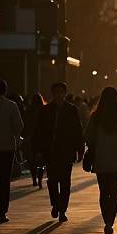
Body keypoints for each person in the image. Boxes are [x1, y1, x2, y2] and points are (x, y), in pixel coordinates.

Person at [84, 87, 117, 234]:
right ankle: (110, 222)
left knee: (104, 192)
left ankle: (106, 222)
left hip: (101, 158)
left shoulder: (96, 116)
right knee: (115, 192)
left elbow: (88, 136)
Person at [34, 82, 84, 222]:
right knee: (52, 180)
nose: (59, 95)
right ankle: (55, 204)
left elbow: (77, 130)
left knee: (65, 182)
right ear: (53, 93)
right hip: (50, 151)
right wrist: (38, 150)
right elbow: (39, 132)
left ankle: (62, 209)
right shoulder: (45, 110)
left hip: (66, 151)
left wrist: (80, 149)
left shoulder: (71, 110)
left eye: (61, 92)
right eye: (56, 92)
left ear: (65, 93)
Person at [0, 79, 24, 223]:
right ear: (5, 90)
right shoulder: (11, 105)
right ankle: (2, 211)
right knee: (4, 180)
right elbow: (19, 126)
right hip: (7, 147)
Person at [22, 93, 46, 189]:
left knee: (31, 161)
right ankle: (40, 180)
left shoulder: (28, 111)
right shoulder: (44, 110)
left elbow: (24, 124)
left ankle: (34, 179)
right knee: (41, 161)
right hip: (42, 139)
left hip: (30, 138)